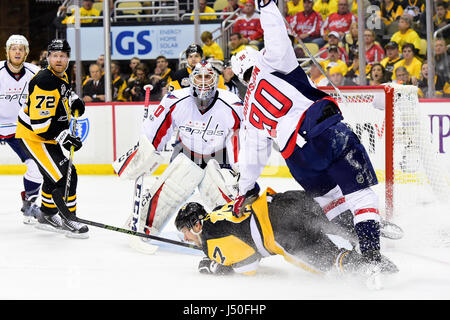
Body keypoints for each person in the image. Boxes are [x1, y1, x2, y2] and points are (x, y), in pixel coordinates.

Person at [231, 0, 387, 269]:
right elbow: (276, 33)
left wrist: (245, 188)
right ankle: (373, 259)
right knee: (361, 195)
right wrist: (266, 7)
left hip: (298, 160)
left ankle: (358, 244)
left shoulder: (248, 109)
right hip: (323, 132)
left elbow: (253, 154)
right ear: (257, 57)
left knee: (331, 200)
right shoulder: (273, 61)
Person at [112, 61, 244, 237]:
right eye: (199, 76)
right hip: (187, 155)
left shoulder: (232, 104)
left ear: (215, 79)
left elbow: (243, 138)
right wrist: (143, 157)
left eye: (207, 77)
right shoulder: (176, 100)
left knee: (227, 202)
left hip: (218, 159)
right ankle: (143, 225)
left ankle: (238, 232)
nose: (203, 82)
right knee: (167, 194)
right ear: (191, 79)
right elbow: (154, 132)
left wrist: (239, 169)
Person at [174, 188, 398, 280]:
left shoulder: (210, 242)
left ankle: (373, 268)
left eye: (185, 231)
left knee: (332, 261)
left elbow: (248, 267)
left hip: (281, 232)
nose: (185, 238)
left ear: (195, 225)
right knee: (330, 218)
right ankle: (368, 227)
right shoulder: (218, 211)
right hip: (284, 200)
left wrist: (215, 265)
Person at [15, 39, 88, 238]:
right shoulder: (44, 81)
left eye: (62, 56)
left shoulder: (60, 74)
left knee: (51, 175)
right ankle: (69, 219)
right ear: (48, 58)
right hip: (35, 137)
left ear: (67, 58)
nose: (58, 59)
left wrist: (74, 100)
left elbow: (64, 92)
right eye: (54, 56)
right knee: (65, 176)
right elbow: (40, 125)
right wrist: (64, 135)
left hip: (45, 135)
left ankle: (47, 214)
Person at [0, 35, 43, 224]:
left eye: (21, 49)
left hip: (20, 128)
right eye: (13, 48)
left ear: (26, 53)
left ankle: (30, 205)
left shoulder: (36, 72)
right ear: (7, 51)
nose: (17, 51)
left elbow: (54, 91)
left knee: (36, 166)